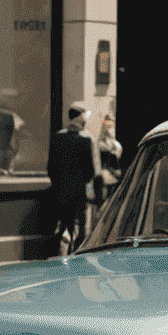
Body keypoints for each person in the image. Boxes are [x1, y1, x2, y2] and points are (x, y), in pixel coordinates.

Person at [47, 103, 99, 254]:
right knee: (78, 227)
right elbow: (91, 171)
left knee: (61, 224)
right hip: (78, 193)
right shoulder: (85, 141)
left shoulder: (57, 138)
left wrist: (58, 184)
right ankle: (75, 252)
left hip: (60, 192)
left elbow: (51, 168)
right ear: (79, 118)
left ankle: (59, 254)